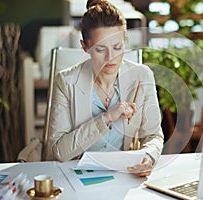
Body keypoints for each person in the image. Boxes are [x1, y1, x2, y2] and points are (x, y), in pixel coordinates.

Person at [48, 0, 164, 177]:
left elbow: (153, 135)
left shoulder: (142, 76)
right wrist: (107, 118)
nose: (111, 57)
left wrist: (149, 157)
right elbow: (60, 151)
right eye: (100, 49)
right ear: (85, 47)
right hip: (76, 175)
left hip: (123, 175)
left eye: (117, 47)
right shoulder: (65, 82)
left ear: (126, 41)